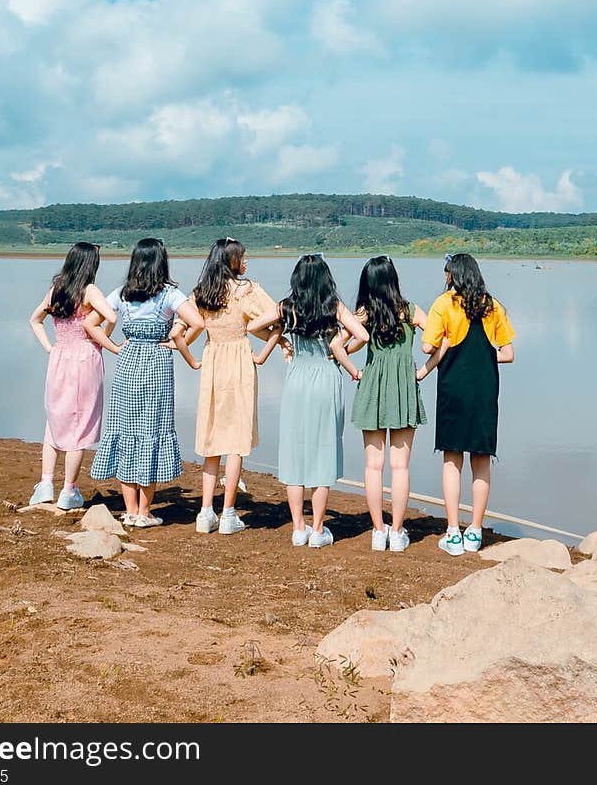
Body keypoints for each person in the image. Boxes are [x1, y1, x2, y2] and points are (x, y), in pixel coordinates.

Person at [247, 253, 368, 548]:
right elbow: (362, 334)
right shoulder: (334, 306)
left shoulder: (287, 306)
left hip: (298, 377)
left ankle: (298, 528)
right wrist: (342, 351)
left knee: (294, 450)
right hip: (326, 377)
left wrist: (281, 339)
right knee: (323, 449)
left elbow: (252, 326)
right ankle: (317, 530)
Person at [88, 237, 204, 527]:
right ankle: (144, 512)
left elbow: (90, 324)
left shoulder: (121, 293)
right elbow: (198, 322)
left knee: (126, 429)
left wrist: (115, 347)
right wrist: (177, 344)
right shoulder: (170, 294)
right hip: (157, 363)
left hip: (128, 364)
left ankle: (128, 511)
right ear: (160, 261)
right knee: (152, 428)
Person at [182, 237, 280, 536]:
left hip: (212, 359)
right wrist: (265, 334)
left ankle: (205, 512)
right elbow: (276, 313)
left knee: (212, 439)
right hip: (238, 359)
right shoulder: (246, 289)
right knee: (236, 441)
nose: (246, 261)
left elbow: (185, 325)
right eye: (243, 256)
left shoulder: (201, 292)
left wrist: (183, 350)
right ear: (231, 261)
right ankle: (227, 513)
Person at [422, 252, 515, 555]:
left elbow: (428, 346)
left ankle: (452, 532)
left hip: (453, 389)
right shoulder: (493, 306)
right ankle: (475, 531)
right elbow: (508, 353)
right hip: (485, 391)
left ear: (453, 275)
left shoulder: (444, 304)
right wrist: (486, 359)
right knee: (481, 461)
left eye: (447, 271)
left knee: (452, 460)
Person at [27, 241, 119, 511]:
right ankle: (68, 490)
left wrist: (50, 347)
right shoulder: (88, 290)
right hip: (84, 358)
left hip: (59, 357)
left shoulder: (56, 289)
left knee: (55, 419)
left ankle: (45, 485)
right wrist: (102, 338)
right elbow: (111, 315)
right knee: (80, 424)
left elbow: (34, 320)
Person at [351, 255, 433, 553]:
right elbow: (443, 338)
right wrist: (424, 370)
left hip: (372, 385)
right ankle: (397, 532)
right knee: (401, 467)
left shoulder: (363, 313)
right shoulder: (410, 310)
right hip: (403, 388)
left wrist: (351, 365)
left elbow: (340, 343)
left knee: (373, 466)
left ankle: (377, 531)